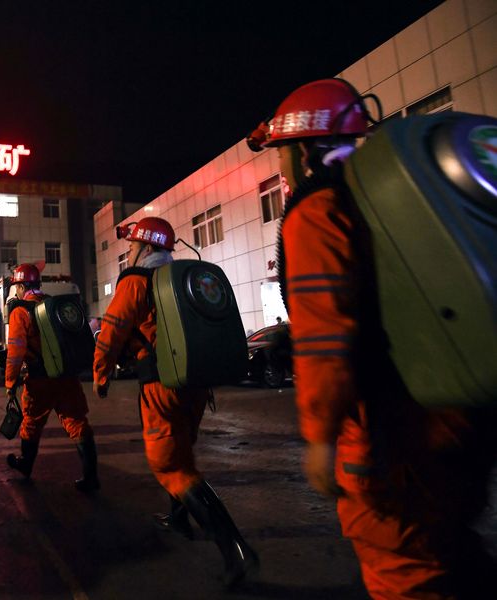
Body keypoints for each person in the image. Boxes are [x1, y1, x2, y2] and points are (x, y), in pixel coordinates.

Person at [251, 77, 497, 598]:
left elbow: (324, 336)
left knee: (404, 573)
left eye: (281, 155)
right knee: (453, 549)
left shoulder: (318, 211)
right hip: (459, 417)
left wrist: (320, 436)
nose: (281, 170)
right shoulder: (391, 198)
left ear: (303, 149)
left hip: (391, 436)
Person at [92, 217, 258, 587]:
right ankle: (179, 519)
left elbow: (112, 331)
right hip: (196, 385)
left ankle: (235, 550)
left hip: (161, 385)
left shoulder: (137, 281)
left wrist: (101, 375)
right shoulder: (183, 279)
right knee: (182, 450)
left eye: (132, 247)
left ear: (146, 248)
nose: (129, 253)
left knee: (170, 464)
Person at [4, 263, 99, 492]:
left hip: (40, 381)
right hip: (67, 376)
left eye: (16, 286)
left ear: (21, 286)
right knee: (76, 421)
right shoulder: (53, 304)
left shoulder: (20, 311)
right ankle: (91, 476)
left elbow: (15, 351)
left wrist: (10, 381)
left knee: (31, 422)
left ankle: (26, 465)